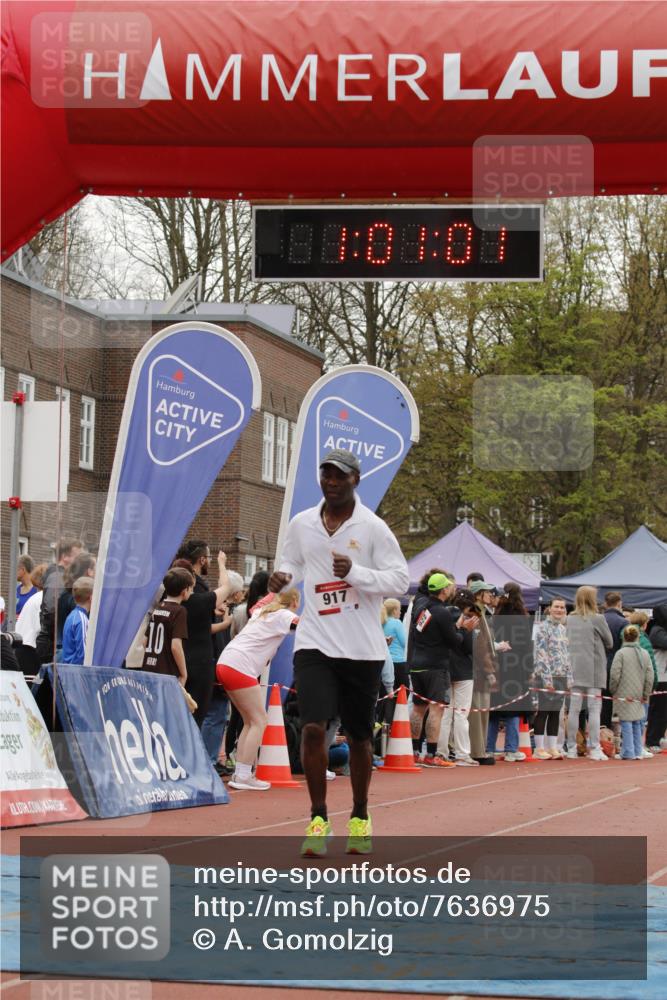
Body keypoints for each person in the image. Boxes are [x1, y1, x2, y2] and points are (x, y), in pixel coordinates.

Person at [268, 448, 409, 856]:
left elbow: (400, 579)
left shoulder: (373, 528)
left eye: (339, 476)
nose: (331, 482)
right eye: (326, 475)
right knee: (313, 728)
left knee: (361, 737)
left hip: (361, 648)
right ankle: (318, 817)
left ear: (355, 480)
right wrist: (283, 578)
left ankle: (361, 815)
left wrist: (358, 573)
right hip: (315, 641)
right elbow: (292, 562)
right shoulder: (302, 523)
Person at [216, 589, 300, 791]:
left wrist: (274, 591)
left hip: (227, 661)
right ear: (295, 601)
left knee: (251, 721)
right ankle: (243, 775)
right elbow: (305, 626)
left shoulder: (261, 612)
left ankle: (241, 772)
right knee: (260, 720)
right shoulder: (284, 615)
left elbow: (260, 603)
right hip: (240, 665)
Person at [409, 572, 478, 767]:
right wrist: (464, 630)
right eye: (448, 586)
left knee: (418, 708)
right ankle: (431, 755)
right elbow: (454, 641)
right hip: (435, 665)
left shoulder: (422, 608)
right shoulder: (442, 612)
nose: (451, 589)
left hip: (417, 665)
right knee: (437, 710)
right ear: (444, 590)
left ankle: (415, 752)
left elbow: (421, 632)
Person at [175, 542, 231, 727]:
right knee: (194, 718)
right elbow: (226, 587)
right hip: (198, 663)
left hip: (177, 662)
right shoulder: (198, 598)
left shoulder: (167, 603)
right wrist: (222, 563)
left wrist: (211, 613)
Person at [201, 570, 245, 771]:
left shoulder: (223, 611)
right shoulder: (217, 612)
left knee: (219, 716)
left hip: (218, 666)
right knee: (214, 715)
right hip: (214, 669)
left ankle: (211, 757)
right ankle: (208, 759)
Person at [565, 586, 613, 761]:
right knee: (594, 710)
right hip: (594, 669)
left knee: (574, 710)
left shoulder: (569, 619)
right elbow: (610, 641)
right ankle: (594, 747)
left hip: (575, 668)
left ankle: (571, 747)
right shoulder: (598, 618)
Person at [487, 583, 532, 762]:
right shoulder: (522, 617)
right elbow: (527, 646)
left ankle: (489, 747)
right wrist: (529, 669)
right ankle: (511, 749)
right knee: (514, 707)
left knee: (494, 709)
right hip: (516, 666)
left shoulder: (495, 616)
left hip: (497, 664)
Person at [437, 587, 478, 766]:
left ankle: (441, 752)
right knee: (461, 714)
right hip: (463, 671)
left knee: (445, 714)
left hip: (445, 667)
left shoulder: (443, 616)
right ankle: (462, 754)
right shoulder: (467, 621)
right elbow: (470, 648)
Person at [533, 598, 573, 759]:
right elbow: (541, 654)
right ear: (549, 609)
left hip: (561, 676)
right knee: (543, 711)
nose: (559, 610)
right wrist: (547, 679)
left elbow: (567, 655)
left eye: (562, 607)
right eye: (556, 607)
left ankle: (553, 747)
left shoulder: (563, 629)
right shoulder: (543, 628)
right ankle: (539, 748)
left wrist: (569, 677)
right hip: (546, 677)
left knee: (556, 712)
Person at [142, 567, 195, 684]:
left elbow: (145, 641)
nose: (192, 591)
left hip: (148, 669)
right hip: (167, 674)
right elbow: (175, 646)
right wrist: (184, 673)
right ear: (184, 591)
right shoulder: (180, 611)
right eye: (191, 588)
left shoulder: (158, 608)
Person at [609, 625, 654, 759]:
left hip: (623, 692)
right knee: (636, 721)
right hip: (639, 692)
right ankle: (638, 750)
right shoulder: (645, 653)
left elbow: (614, 675)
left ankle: (628, 751)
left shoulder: (621, 653)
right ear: (638, 637)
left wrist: (613, 689)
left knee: (626, 721)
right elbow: (650, 676)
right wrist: (646, 694)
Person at [35, 539, 83, 663]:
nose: (80, 562)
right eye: (77, 557)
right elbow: (51, 610)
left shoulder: (58, 576)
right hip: (52, 644)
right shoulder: (57, 576)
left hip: (52, 642)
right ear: (64, 557)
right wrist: (61, 635)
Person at [468, 581, 500, 764]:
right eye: (487, 592)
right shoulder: (476, 614)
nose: (491, 595)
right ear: (479, 594)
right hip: (478, 672)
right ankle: (477, 751)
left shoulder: (482, 613)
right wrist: (489, 670)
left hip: (480, 670)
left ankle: (479, 750)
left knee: (482, 711)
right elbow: (480, 647)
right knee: (478, 711)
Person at [14, 563, 47, 675]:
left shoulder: (34, 598)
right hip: (30, 649)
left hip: (21, 646)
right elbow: (41, 628)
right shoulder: (43, 598)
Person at [601, 592, 628, 727]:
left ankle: (601, 733)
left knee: (598, 703)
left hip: (598, 665)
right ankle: (611, 736)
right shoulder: (624, 622)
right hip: (616, 666)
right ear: (619, 604)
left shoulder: (598, 619)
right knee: (615, 703)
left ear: (605, 604)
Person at [645, 603, 667, 753]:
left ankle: (658, 737)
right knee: (658, 710)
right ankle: (652, 740)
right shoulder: (656, 630)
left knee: (664, 711)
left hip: (665, 676)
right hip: (660, 677)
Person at [382, 598, 408, 708]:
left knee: (386, 695)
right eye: (399, 610)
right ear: (394, 611)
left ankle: (384, 721)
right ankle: (396, 719)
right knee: (403, 693)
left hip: (384, 661)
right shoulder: (397, 623)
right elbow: (404, 642)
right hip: (398, 661)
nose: (400, 612)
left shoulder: (381, 622)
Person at [61, 578, 94, 665]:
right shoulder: (82, 619)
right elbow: (84, 654)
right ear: (91, 597)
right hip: (76, 673)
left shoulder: (72, 616)